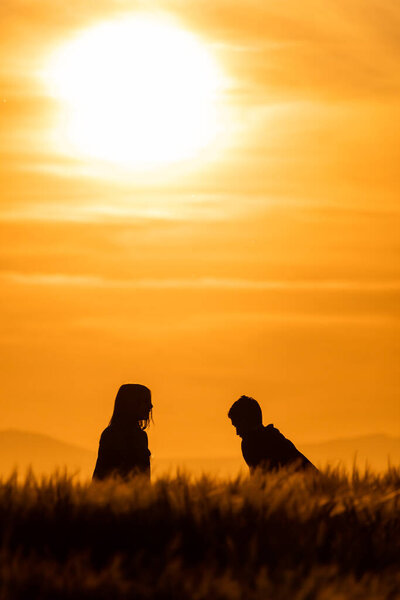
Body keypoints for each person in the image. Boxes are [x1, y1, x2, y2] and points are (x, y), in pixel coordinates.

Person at [228, 395, 317, 474]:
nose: (237, 432)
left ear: (247, 422)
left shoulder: (251, 444)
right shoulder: (276, 439)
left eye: (238, 426)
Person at [93, 384, 153, 481]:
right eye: (145, 401)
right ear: (132, 404)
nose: (150, 406)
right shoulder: (114, 435)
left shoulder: (110, 434)